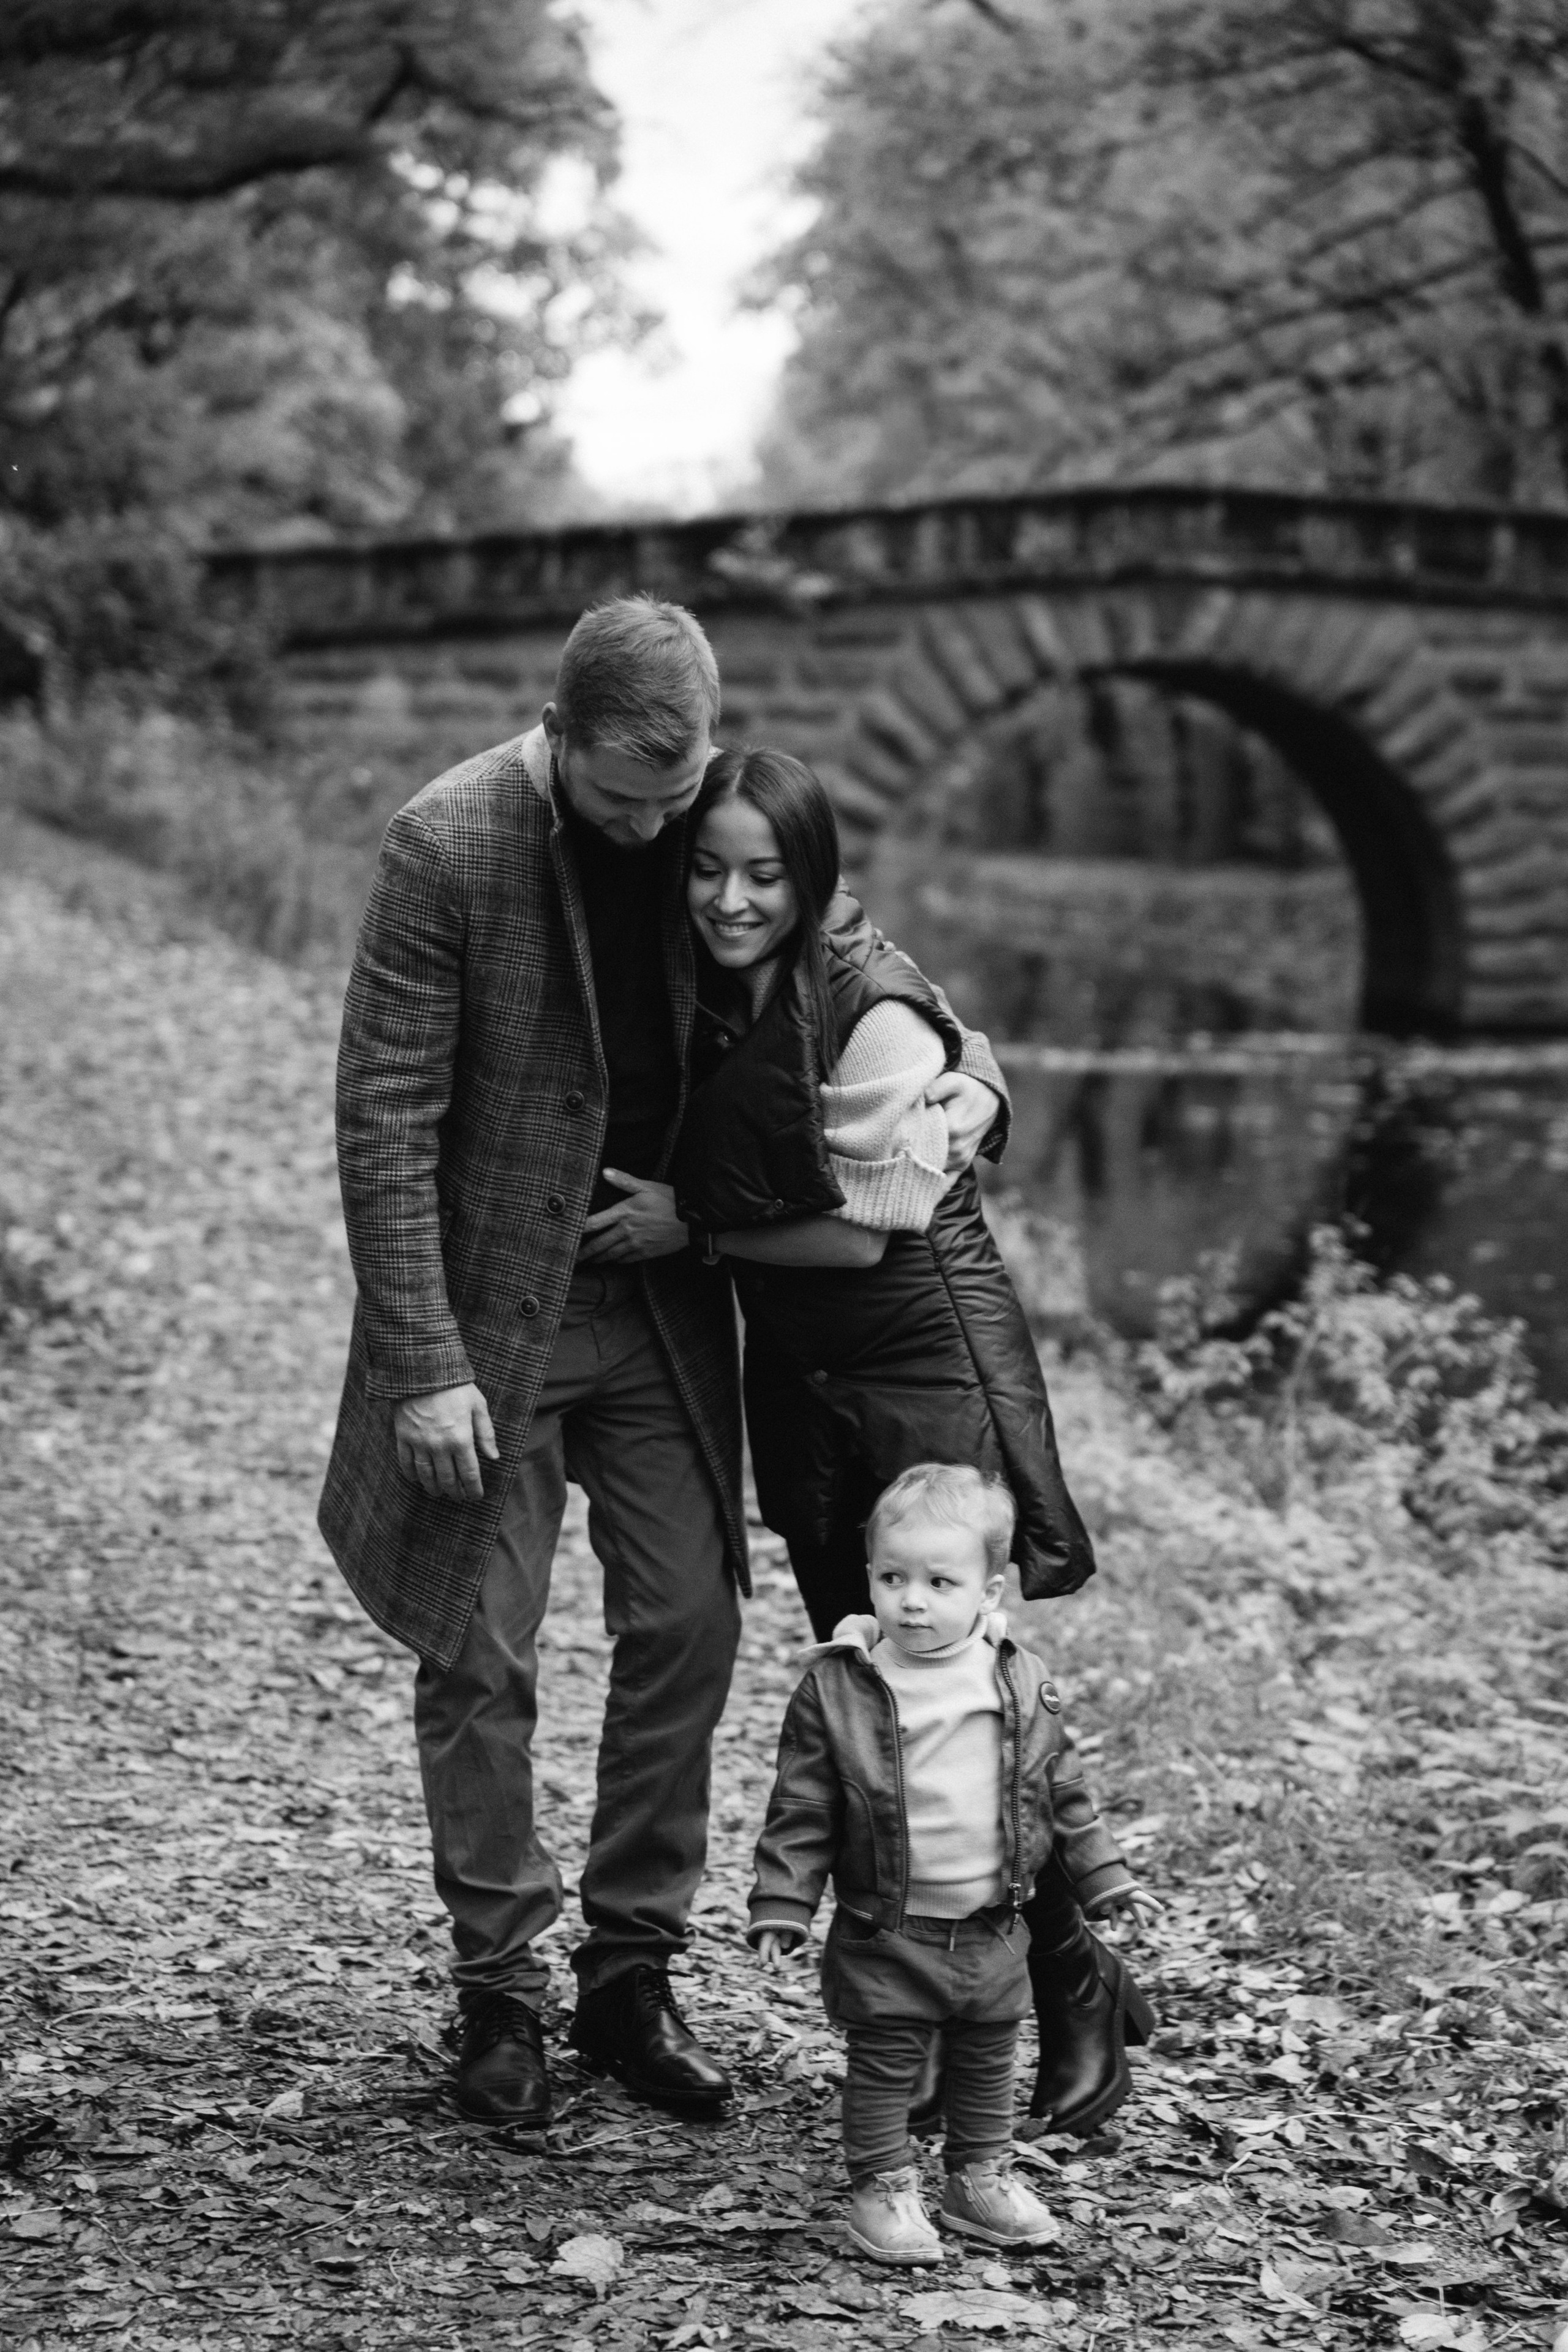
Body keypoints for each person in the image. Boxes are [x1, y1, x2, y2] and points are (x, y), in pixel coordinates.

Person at [317, 601, 1008, 2129]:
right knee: (477, 1651)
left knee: (691, 1624)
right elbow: (382, 1114)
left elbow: (877, 969)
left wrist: (969, 1081)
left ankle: (630, 1973)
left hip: (663, 1305)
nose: (655, 830)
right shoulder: (449, 845)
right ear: (554, 737)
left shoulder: (713, 813)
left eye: (673, 795)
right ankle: (498, 1983)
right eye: (622, 798)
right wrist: (423, 1360)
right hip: (491, 1322)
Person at [586, 747, 1156, 2138]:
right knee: (875, 1686)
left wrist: (693, 1228)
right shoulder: (692, 965)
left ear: (815, 877)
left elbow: (870, 1223)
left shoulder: (871, 1002)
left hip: (912, 1354)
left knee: (962, 1685)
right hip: (797, 1366)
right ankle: (925, 1994)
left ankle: (1075, 1985)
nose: (730, 899)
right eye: (708, 868)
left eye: (764, 875)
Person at [746, 1463, 1161, 2264]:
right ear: (868, 1577)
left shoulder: (1016, 1680)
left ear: (989, 1593)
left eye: (941, 1581)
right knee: (887, 2065)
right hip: (887, 1927)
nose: (913, 1600)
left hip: (993, 1924)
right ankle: (882, 2187)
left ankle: (978, 2177)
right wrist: (783, 1903)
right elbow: (802, 1807)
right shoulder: (842, 1687)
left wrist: (1107, 1878)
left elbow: (1063, 1790)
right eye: (893, 1577)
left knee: (986, 2059)